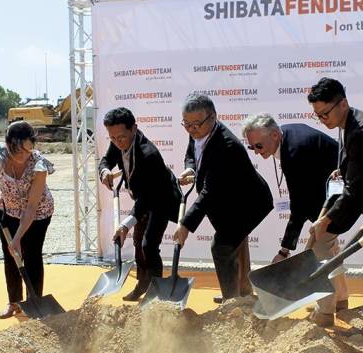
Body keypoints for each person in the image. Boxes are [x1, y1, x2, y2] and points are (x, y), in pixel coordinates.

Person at [173, 93, 272, 302]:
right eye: (186, 124)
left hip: (249, 203)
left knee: (221, 246)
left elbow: (210, 192)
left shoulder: (226, 146)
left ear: (213, 117)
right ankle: (243, 293)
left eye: (196, 124)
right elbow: (192, 153)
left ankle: (232, 303)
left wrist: (185, 225)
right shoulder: (199, 132)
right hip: (228, 202)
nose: (191, 130)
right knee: (236, 241)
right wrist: (191, 169)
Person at [306, 78, 363, 326]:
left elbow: (356, 189)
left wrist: (326, 219)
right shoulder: (347, 122)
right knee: (323, 240)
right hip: (362, 196)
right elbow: (356, 169)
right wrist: (342, 169)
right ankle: (336, 303)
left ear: (343, 103)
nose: (322, 120)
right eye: (318, 116)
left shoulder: (361, 130)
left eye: (325, 113)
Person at [98, 107, 181, 301]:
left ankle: (157, 293)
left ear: (134, 128)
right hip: (142, 199)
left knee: (149, 244)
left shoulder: (148, 154)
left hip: (161, 198)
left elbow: (148, 198)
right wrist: (105, 172)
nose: (118, 143)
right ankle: (143, 283)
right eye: (113, 139)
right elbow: (106, 159)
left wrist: (125, 224)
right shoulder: (119, 141)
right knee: (138, 243)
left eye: (121, 138)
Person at [240, 114, 338, 263]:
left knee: (320, 258)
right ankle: (338, 286)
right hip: (325, 195)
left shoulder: (294, 152)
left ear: (274, 135)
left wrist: (284, 251)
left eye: (259, 146)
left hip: (348, 188)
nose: (256, 152)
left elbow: (299, 206)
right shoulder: (285, 135)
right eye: (251, 147)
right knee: (327, 257)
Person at [0, 121, 55, 319]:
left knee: (31, 255)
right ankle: (14, 302)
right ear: (7, 144)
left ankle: (35, 302)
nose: (23, 156)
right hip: (9, 211)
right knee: (11, 258)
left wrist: (17, 239)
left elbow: (31, 208)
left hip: (38, 213)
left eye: (27, 151)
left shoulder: (38, 164)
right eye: (18, 151)